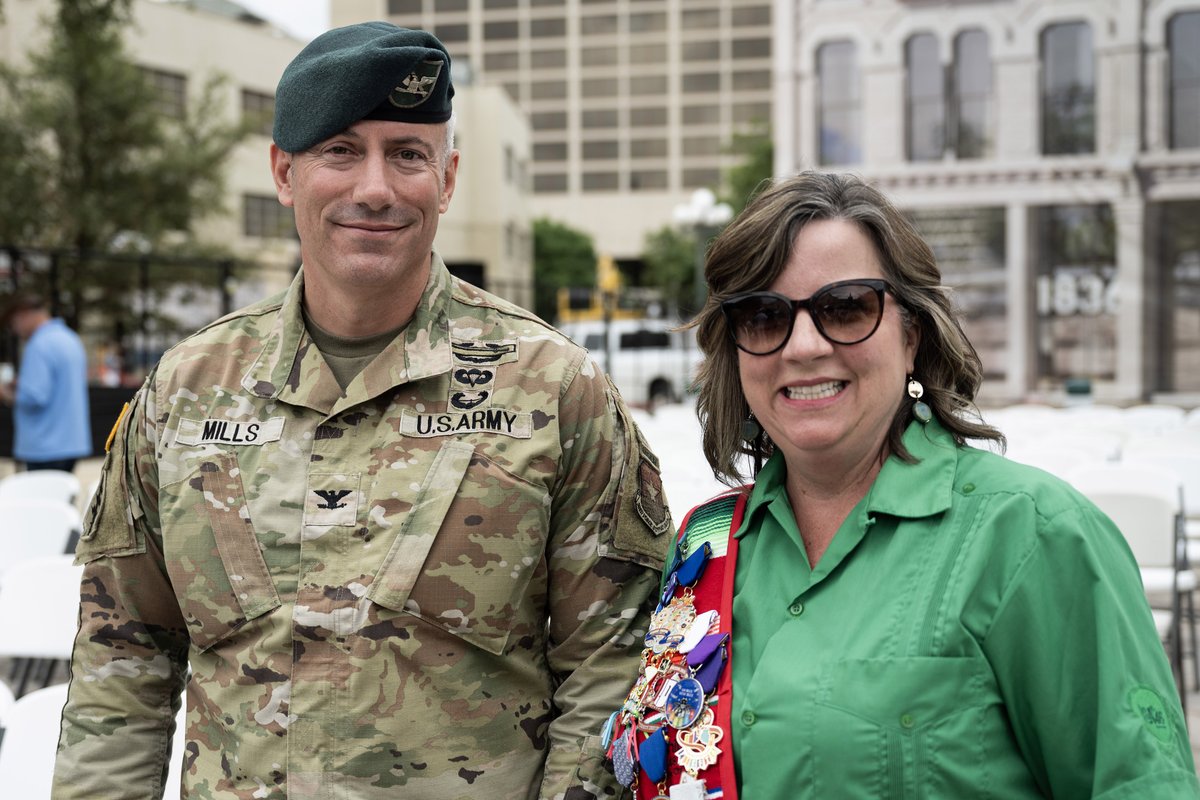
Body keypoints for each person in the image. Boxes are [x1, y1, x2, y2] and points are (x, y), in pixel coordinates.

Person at [53, 22, 672, 800]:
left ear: (446, 179)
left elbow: (612, 672)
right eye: (340, 151)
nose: (375, 187)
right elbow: (123, 664)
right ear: (285, 172)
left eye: (408, 154)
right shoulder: (183, 392)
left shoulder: (553, 388)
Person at [606, 172, 1199, 799]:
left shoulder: (1033, 534)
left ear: (912, 335)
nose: (803, 346)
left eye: (845, 308)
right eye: (762, 316)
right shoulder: (706, 544)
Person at [0, 292, 91, 472]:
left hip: (43, 446)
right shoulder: (70, 338)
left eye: (14, 323)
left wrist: (4, 392)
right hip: (71, 442)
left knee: (40, 499)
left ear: (24, 315)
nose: (15, 330)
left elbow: (33, 397)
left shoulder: (39, 344)